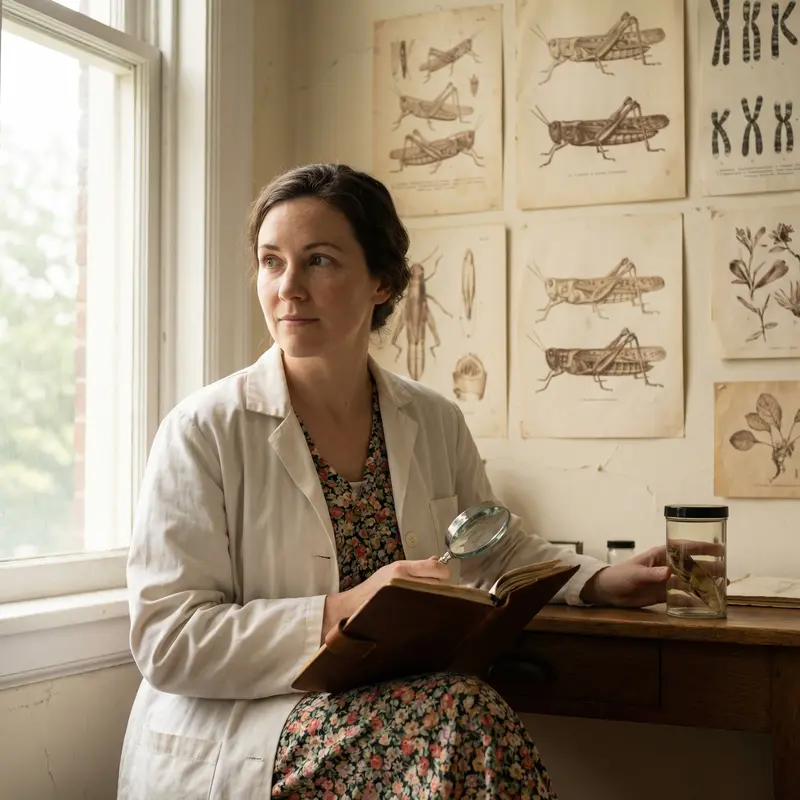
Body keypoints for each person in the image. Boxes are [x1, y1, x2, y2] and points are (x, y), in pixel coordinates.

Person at [116, 163, 671, 799]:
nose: (288, 288)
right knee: (465, 713)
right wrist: (343, 608)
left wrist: (599, 580)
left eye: (318, 261)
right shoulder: (203, 429)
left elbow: (493, 547)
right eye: (272, 262)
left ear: (382, 281)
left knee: (461, 714)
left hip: (403, 710)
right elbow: (168, 639)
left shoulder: (432, 418)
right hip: (254, 732)